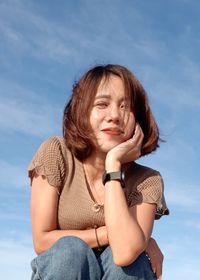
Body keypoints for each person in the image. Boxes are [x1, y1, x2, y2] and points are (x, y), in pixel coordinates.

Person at [28, 64, 169, 280]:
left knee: (133, 262)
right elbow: (42, 240)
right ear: (81, 111)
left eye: (125, 107)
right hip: (63, 270)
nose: (114, 115)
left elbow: (124, 252)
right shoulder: (55, 152)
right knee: (70, 252)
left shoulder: (148, 179)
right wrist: (134, 238)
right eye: (102, 104)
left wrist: (113, 165)